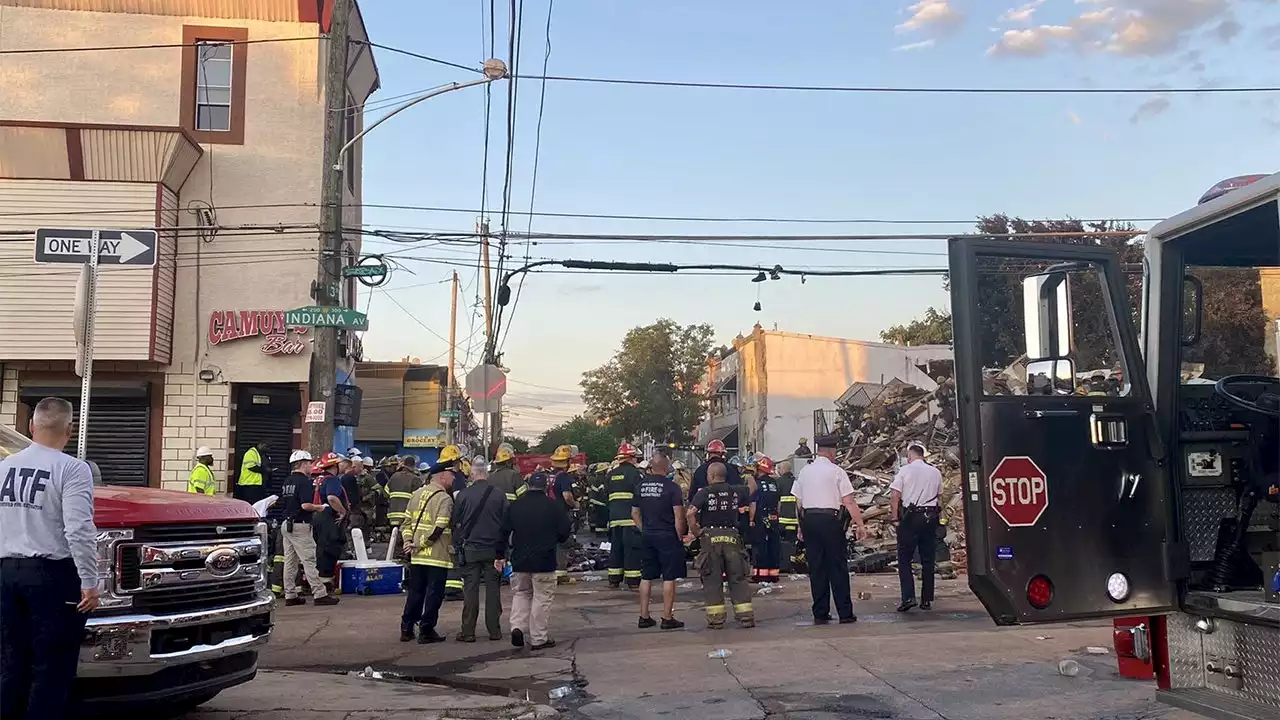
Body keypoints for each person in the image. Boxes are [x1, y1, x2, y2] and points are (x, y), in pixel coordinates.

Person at [0, 398, 99, 720]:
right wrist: (89, 582)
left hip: (5, 574)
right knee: (52, 667)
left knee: (11, 663)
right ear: (70, 430)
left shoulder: (4, 468)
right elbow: (79, 529)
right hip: (52, 576)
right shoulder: (71, 468)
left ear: (31, 426)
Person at [792, 434, 866, 625]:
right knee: (837, 567)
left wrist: (801, 527)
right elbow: (848, 501)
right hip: (830, 521)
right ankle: (845, 613)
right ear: (832, 451)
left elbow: (798, 502)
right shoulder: (837, 472)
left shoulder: (805, 471)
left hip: (810, 521)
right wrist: (860, 524)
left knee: (816, 567)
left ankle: (820, 612)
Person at [503, 469, 572, 650]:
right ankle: (538, 638)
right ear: (546, 486)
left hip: (520, 560)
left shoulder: (516, 505)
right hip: (544, 560)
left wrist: (499, 554)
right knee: (542, 598)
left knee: (521, 594)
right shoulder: (554, 506)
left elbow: (504, 531)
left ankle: (517, 627)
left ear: (528, 485)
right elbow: (564, 532)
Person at [687, 462, 754, 629]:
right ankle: (745, 617)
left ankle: (716, 620)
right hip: (732, 537)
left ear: (711, 476)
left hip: (710, 538)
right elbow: (752, 487)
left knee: (712, 580)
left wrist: (696, 531)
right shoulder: (736, 491)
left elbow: (690, 513)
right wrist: (750, 473)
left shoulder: (704, 493)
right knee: (738, 578)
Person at [400, 457, 457, 643]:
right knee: (434, 594)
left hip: (417, 557)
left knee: (416, 593)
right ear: (441, 476)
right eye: (451, 474)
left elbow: (406, 523)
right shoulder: (444, 498)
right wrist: (422, 543)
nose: (453, 479)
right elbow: (439, 528)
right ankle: (426, 630)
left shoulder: (416, 494)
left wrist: (409, 541)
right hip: (436, 556)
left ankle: (406, 628)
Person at [451, 455, 507, 642]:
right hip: (493, 551)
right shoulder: (499, 495)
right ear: (487, 473)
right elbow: (506, 524)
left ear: (472, 474)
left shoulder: (464, 495)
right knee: (493, 590)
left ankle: (468, 632)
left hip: (471, 550)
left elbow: (455, 522)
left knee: (471, 590)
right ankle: (494, 631)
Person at [632, 449, 687, 629]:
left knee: (646, 575)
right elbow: (678, 516)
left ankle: (644, 616)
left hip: (648, 535)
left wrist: (644, 529)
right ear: (666, 467)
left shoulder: (640, 486)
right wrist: (680, 536)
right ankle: (667, 617)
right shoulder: (672, 488)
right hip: (667, 535)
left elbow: (635, 513)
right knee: (669, 577)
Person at [280, 450, 339, 606]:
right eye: (309, 463)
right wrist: (320, 507)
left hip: (287, 524)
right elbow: (305, 505)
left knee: (290, 562)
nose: (311, 466)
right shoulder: (304, 482)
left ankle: (290, 595)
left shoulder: (287, 481)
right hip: (300, 525)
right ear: (303, 464)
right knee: (310, 560)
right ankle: (320, 594)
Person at [890, 442, 942, 612]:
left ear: (910, 455)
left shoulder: (905, 471)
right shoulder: (935, 471)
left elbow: (895, 496)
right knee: (928, 559)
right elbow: (939, 497)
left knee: (904, 558)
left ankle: (908, 597)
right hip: (931, 517)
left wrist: (895, 518)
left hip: (910, 518)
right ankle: (926, 599)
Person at [606, 443, 645, 589]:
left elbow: (607, 496)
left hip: (615, 518)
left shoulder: (611, 474)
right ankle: (633, 581)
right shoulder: (636, 473)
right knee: (632, 549)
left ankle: (614, 579)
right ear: (631, 458)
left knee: (616, 549)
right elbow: (641, 496)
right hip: (631, 519)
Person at [310, 452, 348, 594]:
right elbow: (332, 498)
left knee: (320, 550)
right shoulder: (332, 480)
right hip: (328, 518)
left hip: (316, 517)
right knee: (330, 550)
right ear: (335, 466)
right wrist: (343, 512)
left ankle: (319, 582)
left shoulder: (318, 479)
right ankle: (325, 584)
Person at [548, 445, 579, 585]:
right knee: (563, 543)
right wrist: (575, 504)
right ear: (566, 462)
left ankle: (551, 572)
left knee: (551, 543)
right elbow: (567, 496)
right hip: (562, 514)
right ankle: (560, 574)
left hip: (549, 513)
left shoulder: (548, 476)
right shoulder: (564, 477)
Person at [750, 456, 782, 584]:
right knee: (773, 545)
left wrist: (751, 519)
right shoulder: (774, 483)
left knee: (760, 546)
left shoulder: (757, 484)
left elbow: (753, 503)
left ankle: (760, 575)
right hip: (773, 517)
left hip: (760, 517)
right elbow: (779, 503)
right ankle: (774, 575)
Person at [775, 461, 800, 571]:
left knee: (782, 543)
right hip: (795, 520)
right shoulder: (797, 482)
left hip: (782, 521)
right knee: (793, 543)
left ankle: (783, 564)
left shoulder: (778, 482)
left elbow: (777, 503)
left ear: (782, 470)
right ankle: (792, 564)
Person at [386, 455, 422, 531]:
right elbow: (420, 498)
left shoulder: (394, 476)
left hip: (393, 514)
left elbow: (385, 493)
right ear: (413, 466)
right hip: (407, 516)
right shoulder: (415, 479)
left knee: (393, 538)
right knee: (405, 539)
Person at [236, 439, 270, 504]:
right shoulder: (251, 453)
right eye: (266, 446)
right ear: (260, 444)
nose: (267, 449)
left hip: (257, 485)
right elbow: (251, 467)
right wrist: (265, 470)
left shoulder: (262, 454)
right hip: (249, 485)